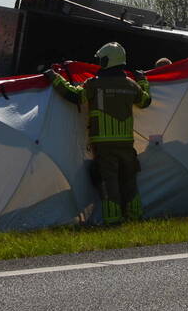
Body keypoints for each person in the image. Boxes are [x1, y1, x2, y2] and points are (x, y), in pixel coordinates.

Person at [45, 42, 151, 225]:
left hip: (103, 145)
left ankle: (113, 220)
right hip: (126, 144)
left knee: (108, 183)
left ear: (107, 61)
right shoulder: (131, 85)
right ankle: (135, 217)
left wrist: (54, 78)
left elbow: (75, 96)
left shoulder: (95, 84)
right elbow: (145, 101)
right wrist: (143, 80)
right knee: (129, 182)